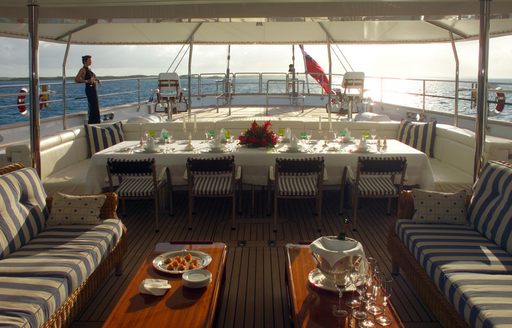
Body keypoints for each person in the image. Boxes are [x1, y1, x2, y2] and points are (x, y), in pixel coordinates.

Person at [75, 55, 101, 124]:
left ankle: (96, 122)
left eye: (91, 60)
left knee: (95, 106)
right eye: (89, 60)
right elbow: (77, 79)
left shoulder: (89, 69)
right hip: (89, 89)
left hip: (93, 89)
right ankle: (92, 123)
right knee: (93, 107)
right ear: (85, 61)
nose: (91, 61)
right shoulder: (82, 69)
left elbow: (93, 77)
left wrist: (97, 80)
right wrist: (86, 81)